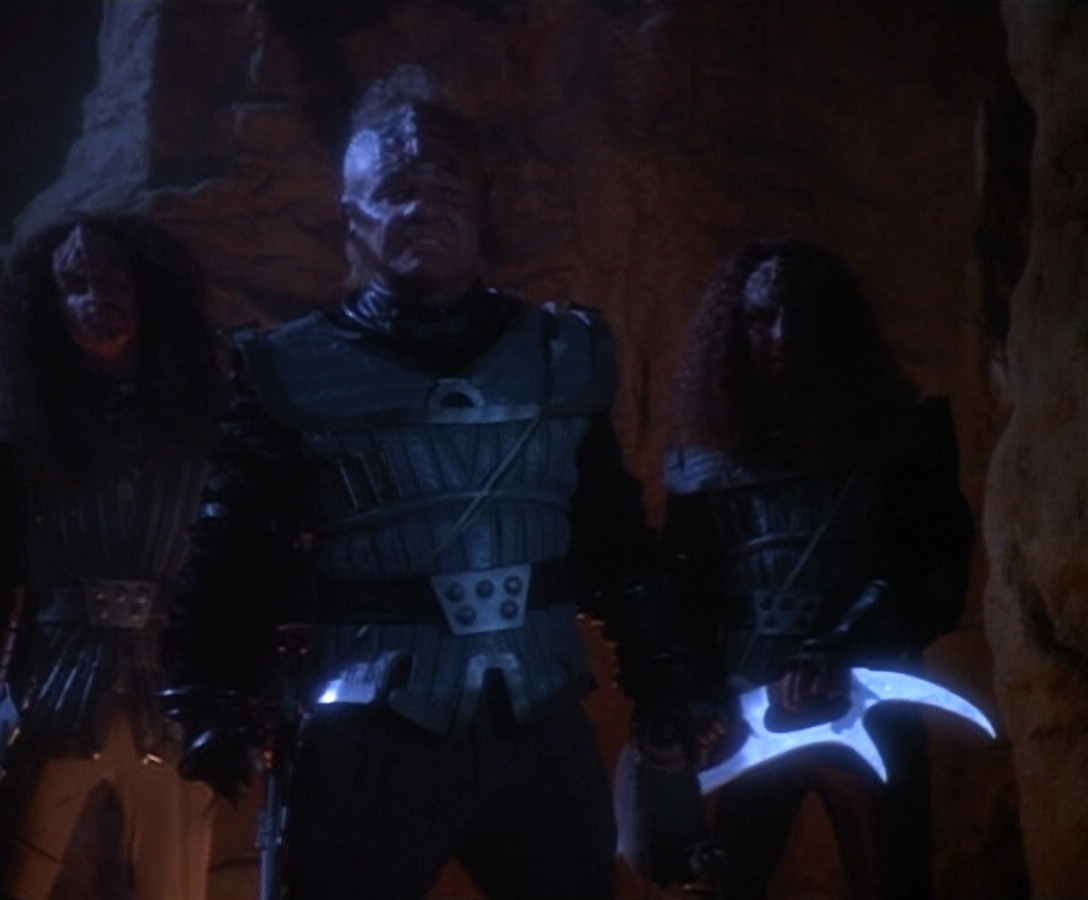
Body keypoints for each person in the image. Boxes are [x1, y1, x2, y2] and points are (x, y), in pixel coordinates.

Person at [159, 65, 697, 900]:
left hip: (539, 716)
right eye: (398, 189)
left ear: (482, 204)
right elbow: (235, 547)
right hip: (371, 728)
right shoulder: (292, 371)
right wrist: (209, 694)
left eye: (445, 186)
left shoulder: (559, 355)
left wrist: (659, 669)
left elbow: (608, 531)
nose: (423, 207)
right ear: (354, 215)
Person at [0, 215, 223, 900]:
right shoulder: (10, 416)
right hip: (48, 683)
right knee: (15, 872)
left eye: (114, 280)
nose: (96, 298)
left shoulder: (211, 413)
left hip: (172, 685)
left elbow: (237, 563)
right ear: (49, 300)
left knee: (174, 880)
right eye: (74, 283)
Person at [661, 239, 974, 900]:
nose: (780, 336)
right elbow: (685, 594)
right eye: (760, 318)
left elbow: (931, 573)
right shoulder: (705, 467)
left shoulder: (902, 441)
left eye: (800, 316)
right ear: (735, 333)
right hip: (746, 708)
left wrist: (841, 644)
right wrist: (694, 689)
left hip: (868, 698)